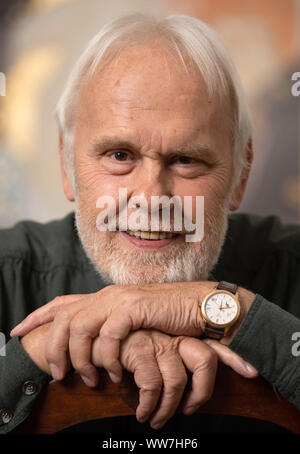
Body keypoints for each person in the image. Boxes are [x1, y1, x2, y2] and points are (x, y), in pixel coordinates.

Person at [1, 13, 300, 434]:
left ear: (241, 173)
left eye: (186, 159)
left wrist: (224, 311)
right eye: (119, 155)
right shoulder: (7, 271)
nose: (151, 197)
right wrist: (36, 348)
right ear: (67, 165)